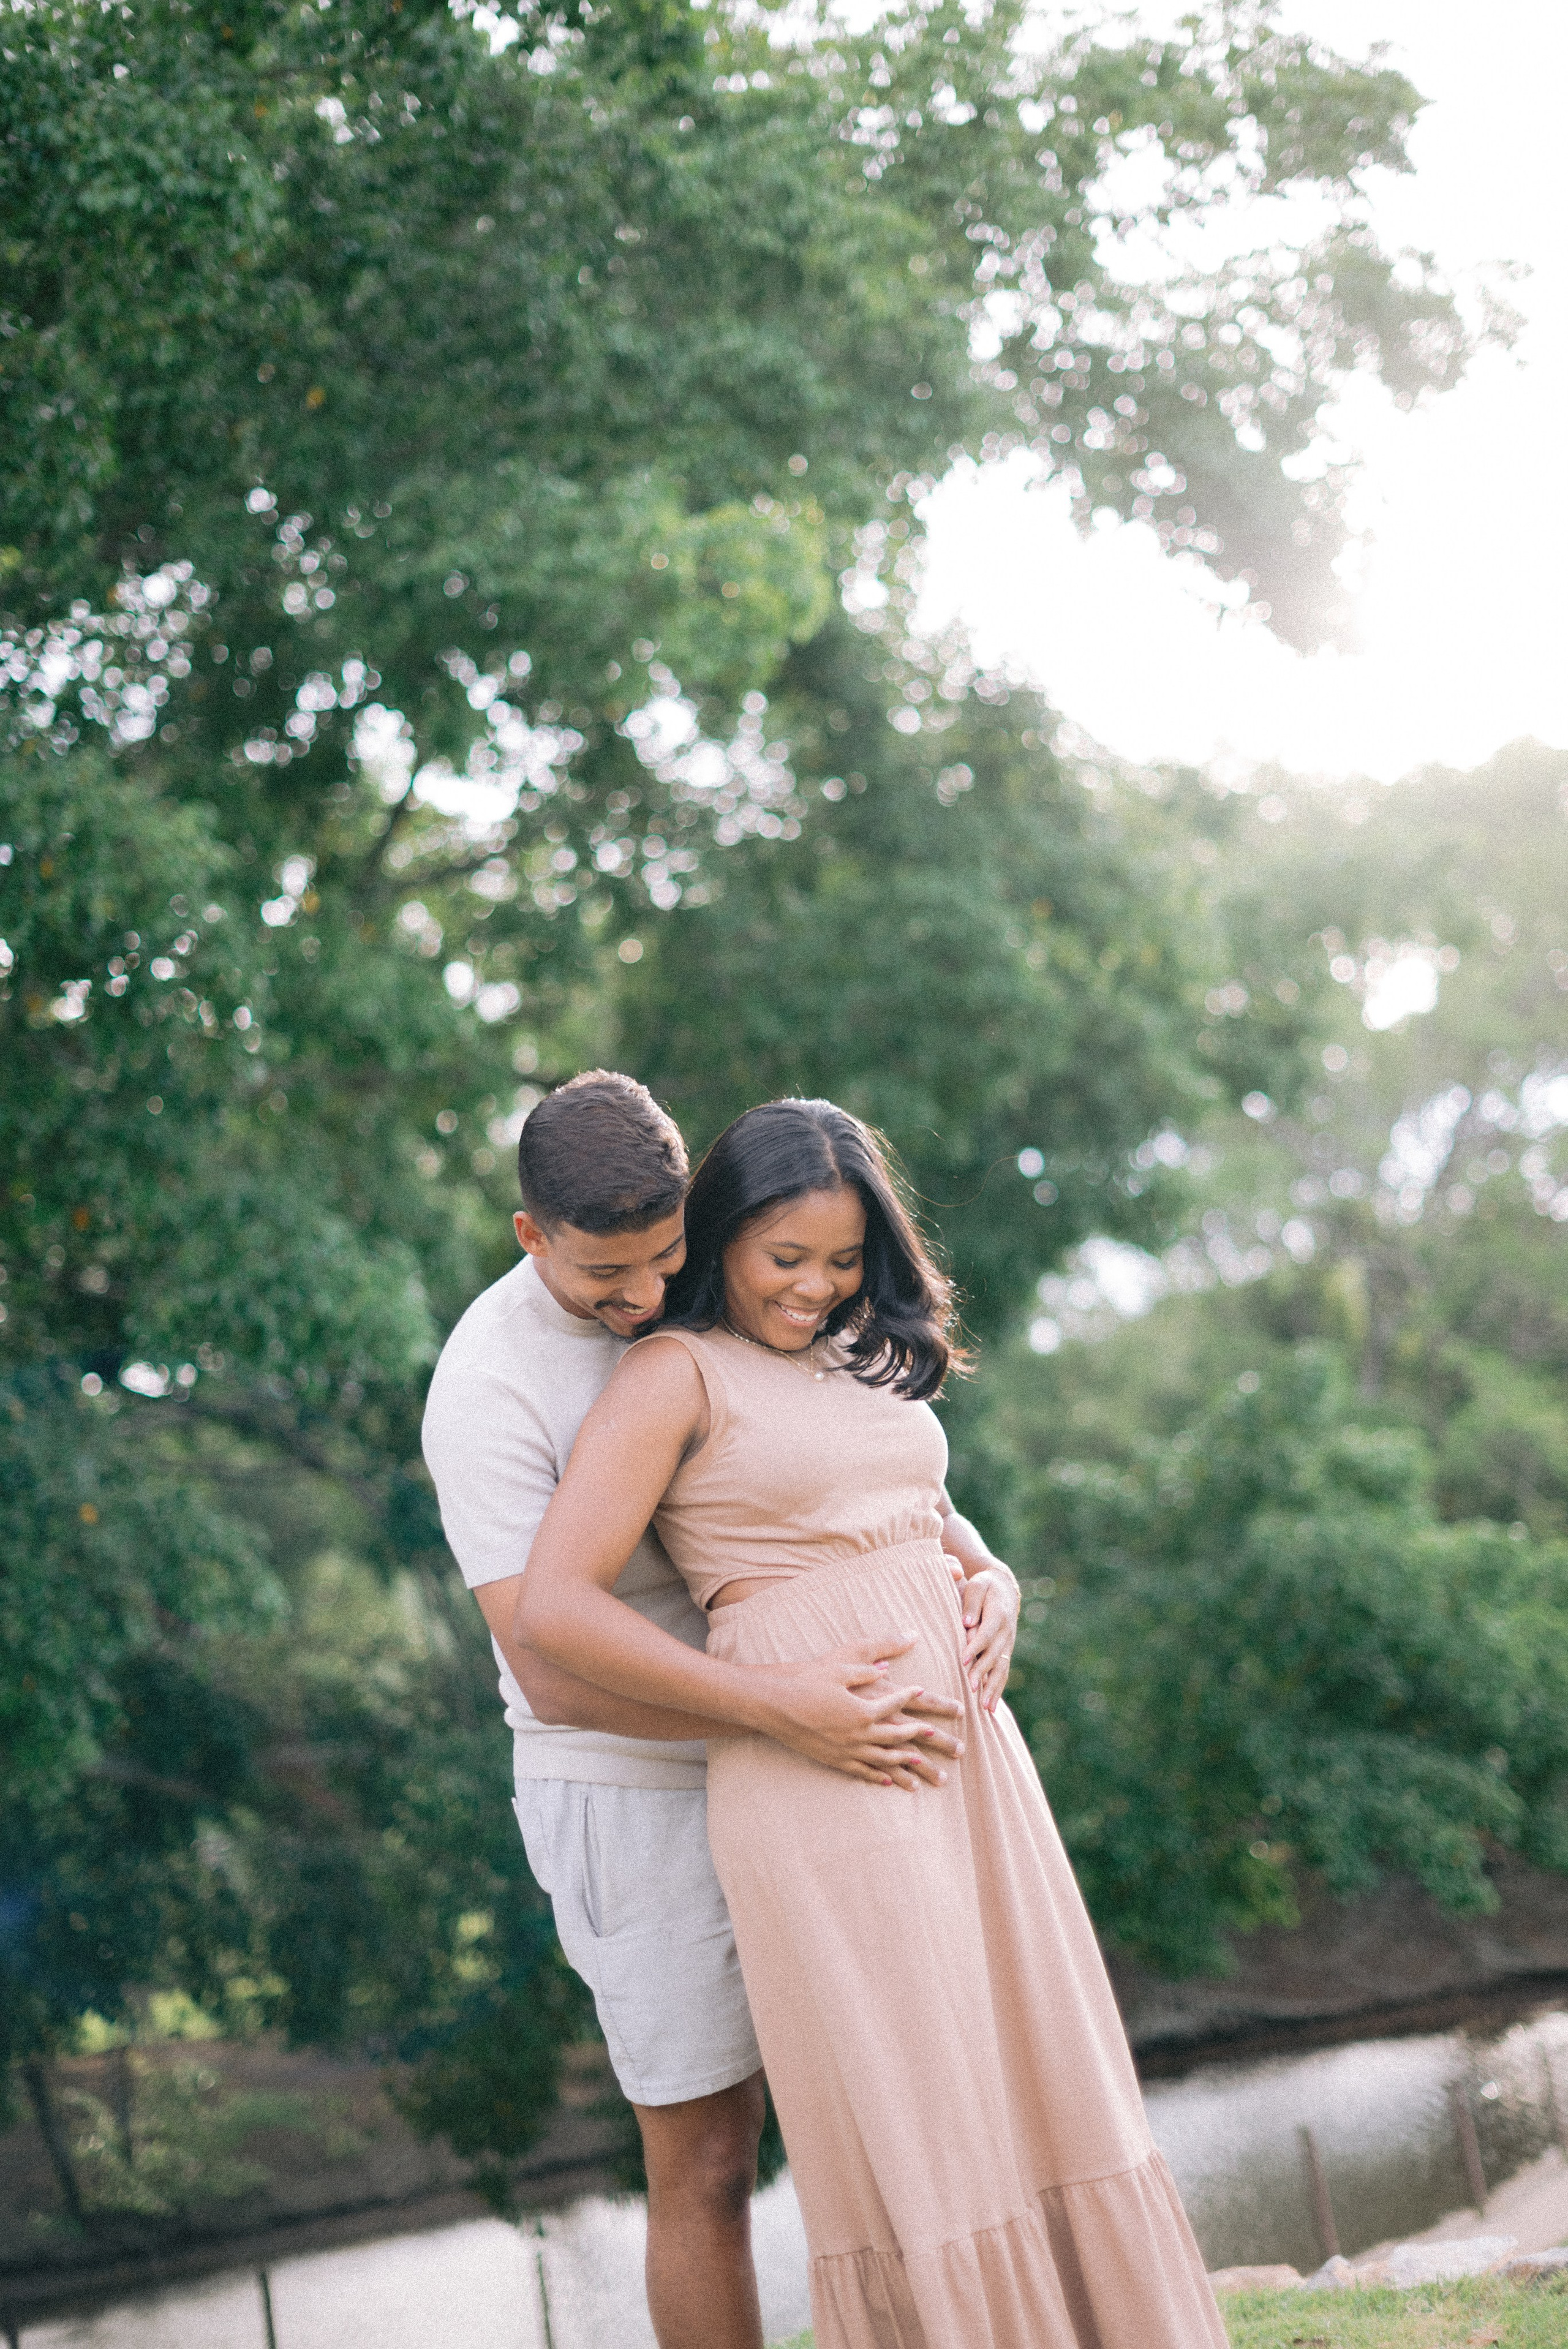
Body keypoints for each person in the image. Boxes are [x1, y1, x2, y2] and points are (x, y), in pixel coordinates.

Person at [517, 1098, 1227, 2349]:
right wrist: (775, 1705)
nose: (815, 1286)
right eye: (784, 1257)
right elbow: (555, 1611)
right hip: (822, 1773)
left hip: (971, 1774)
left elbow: (917, 1505)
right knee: (931, 2118)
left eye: (843, 1259)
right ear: (723, 1234)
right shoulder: (673, 1375)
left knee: (1042, 2073)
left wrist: (992, 1574)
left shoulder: (854, 1353)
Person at [421, 1072, 967, 2349]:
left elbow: (841, 1462)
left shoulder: (717, 1290)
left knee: (891, 2109)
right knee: (710, 2159)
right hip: (636, 1789)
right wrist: (776, 1712)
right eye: (603, 1275)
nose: (641, 1297)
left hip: (807, 1749)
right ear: (530, 1235)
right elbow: (553, 1671)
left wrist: (977, 1563)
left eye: (663, 1257)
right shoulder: (488, 1387)